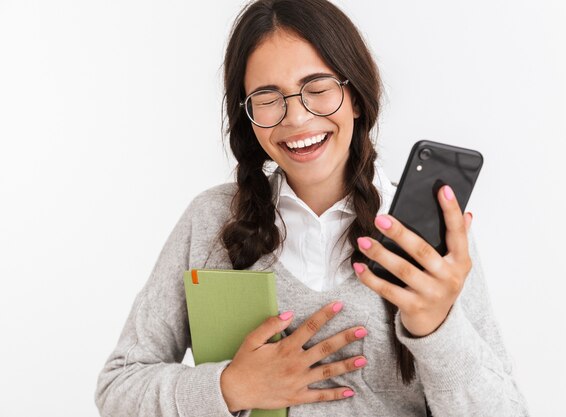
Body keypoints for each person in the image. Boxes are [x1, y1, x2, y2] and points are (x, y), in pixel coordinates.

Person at [95, 0, 529, 415]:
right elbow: (118, 389)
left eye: (317, 89)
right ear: (247, 115)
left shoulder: (424, 235)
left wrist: (438, 328)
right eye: (268, 98)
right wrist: (232, 386)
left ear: (356, 96)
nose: (297, 118)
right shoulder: (209, 221)